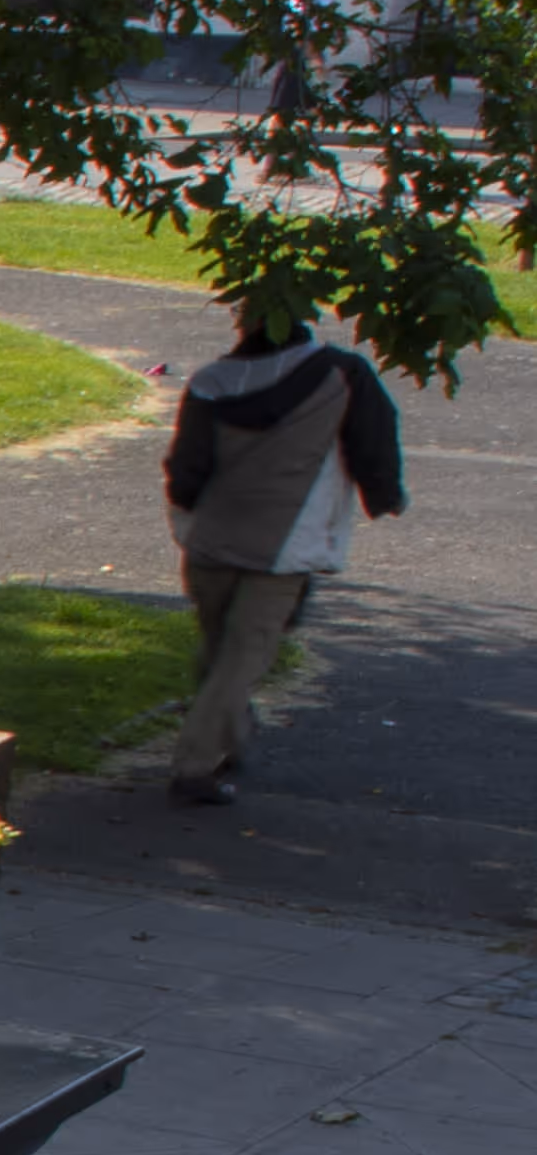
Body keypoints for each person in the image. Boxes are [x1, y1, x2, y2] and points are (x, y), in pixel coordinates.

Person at [156, 288, 403, 807]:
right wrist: (384, 495)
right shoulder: (342, 374)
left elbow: (186, 471)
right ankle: (195, 767)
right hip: (286, 544)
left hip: (211, 539)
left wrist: (196, 516)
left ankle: (230, 738)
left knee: (219, 652)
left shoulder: (209, 381)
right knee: (242, 659)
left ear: (244, 326)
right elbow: (373, 443)